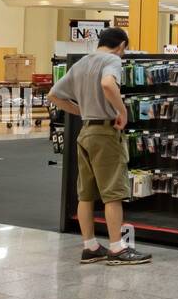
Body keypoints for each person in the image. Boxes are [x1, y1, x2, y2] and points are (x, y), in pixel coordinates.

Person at [48, 27, 151, 265]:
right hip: (105, 133)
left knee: (86, 194)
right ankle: (117, 248)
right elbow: (107, 84)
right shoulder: (112, 60)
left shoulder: (81, 63)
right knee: (113, 192)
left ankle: (90, 246)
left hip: (85, 132)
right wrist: (122, 111)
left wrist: (82, 111)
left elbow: (54, 95)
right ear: (122, 45)